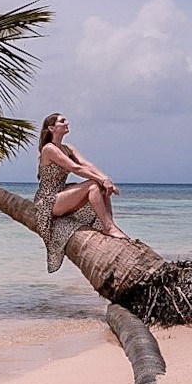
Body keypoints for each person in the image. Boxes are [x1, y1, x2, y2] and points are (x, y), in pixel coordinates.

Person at [33, 112, 128, 273]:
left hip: (62, 194)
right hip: (48, 200)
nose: (67, 122)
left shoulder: (68, 148)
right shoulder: (49, 149)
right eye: (62, 121)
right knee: (93, 184)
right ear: (52, 128)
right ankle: (108, 227)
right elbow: (75, 168)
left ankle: (110, 225)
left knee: (100, 185)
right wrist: (100, 180)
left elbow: (86, 164)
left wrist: (106, 179)